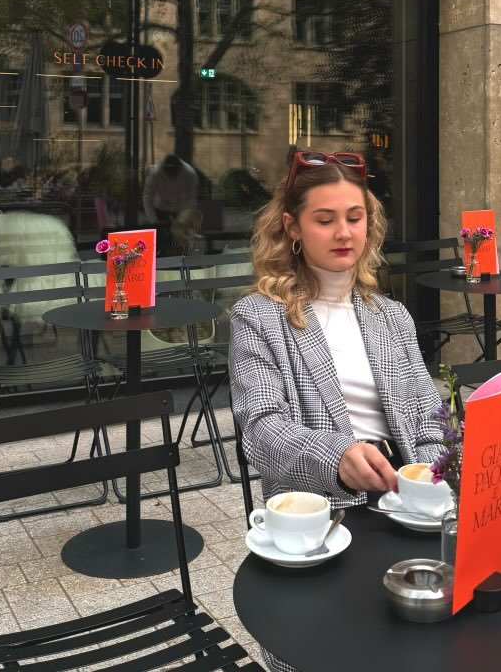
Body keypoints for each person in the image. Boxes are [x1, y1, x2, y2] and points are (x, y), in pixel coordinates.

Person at [230, 150, 445, 506]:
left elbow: (429, 416)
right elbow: (261, 430)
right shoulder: (259, 317)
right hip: (324, 503)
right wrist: (338, 459)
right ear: (293, 227)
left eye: (355, 218)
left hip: (408, 492)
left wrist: (430, 481)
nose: (344, 233)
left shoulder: (392, 316)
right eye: (325, 220)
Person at [142, 153, 199, 254]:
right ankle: (159, 256)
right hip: (160, 209)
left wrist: (183, 218)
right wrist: (154, 219)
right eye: (168, 173)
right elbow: (147, 197)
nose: (171, 176)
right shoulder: (155, 173)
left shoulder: (189, 173)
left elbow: (190, 198)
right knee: (159, 239)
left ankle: (180, 257)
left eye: (174, 173)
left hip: (180, 209)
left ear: (180, 169)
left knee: (179, 241)